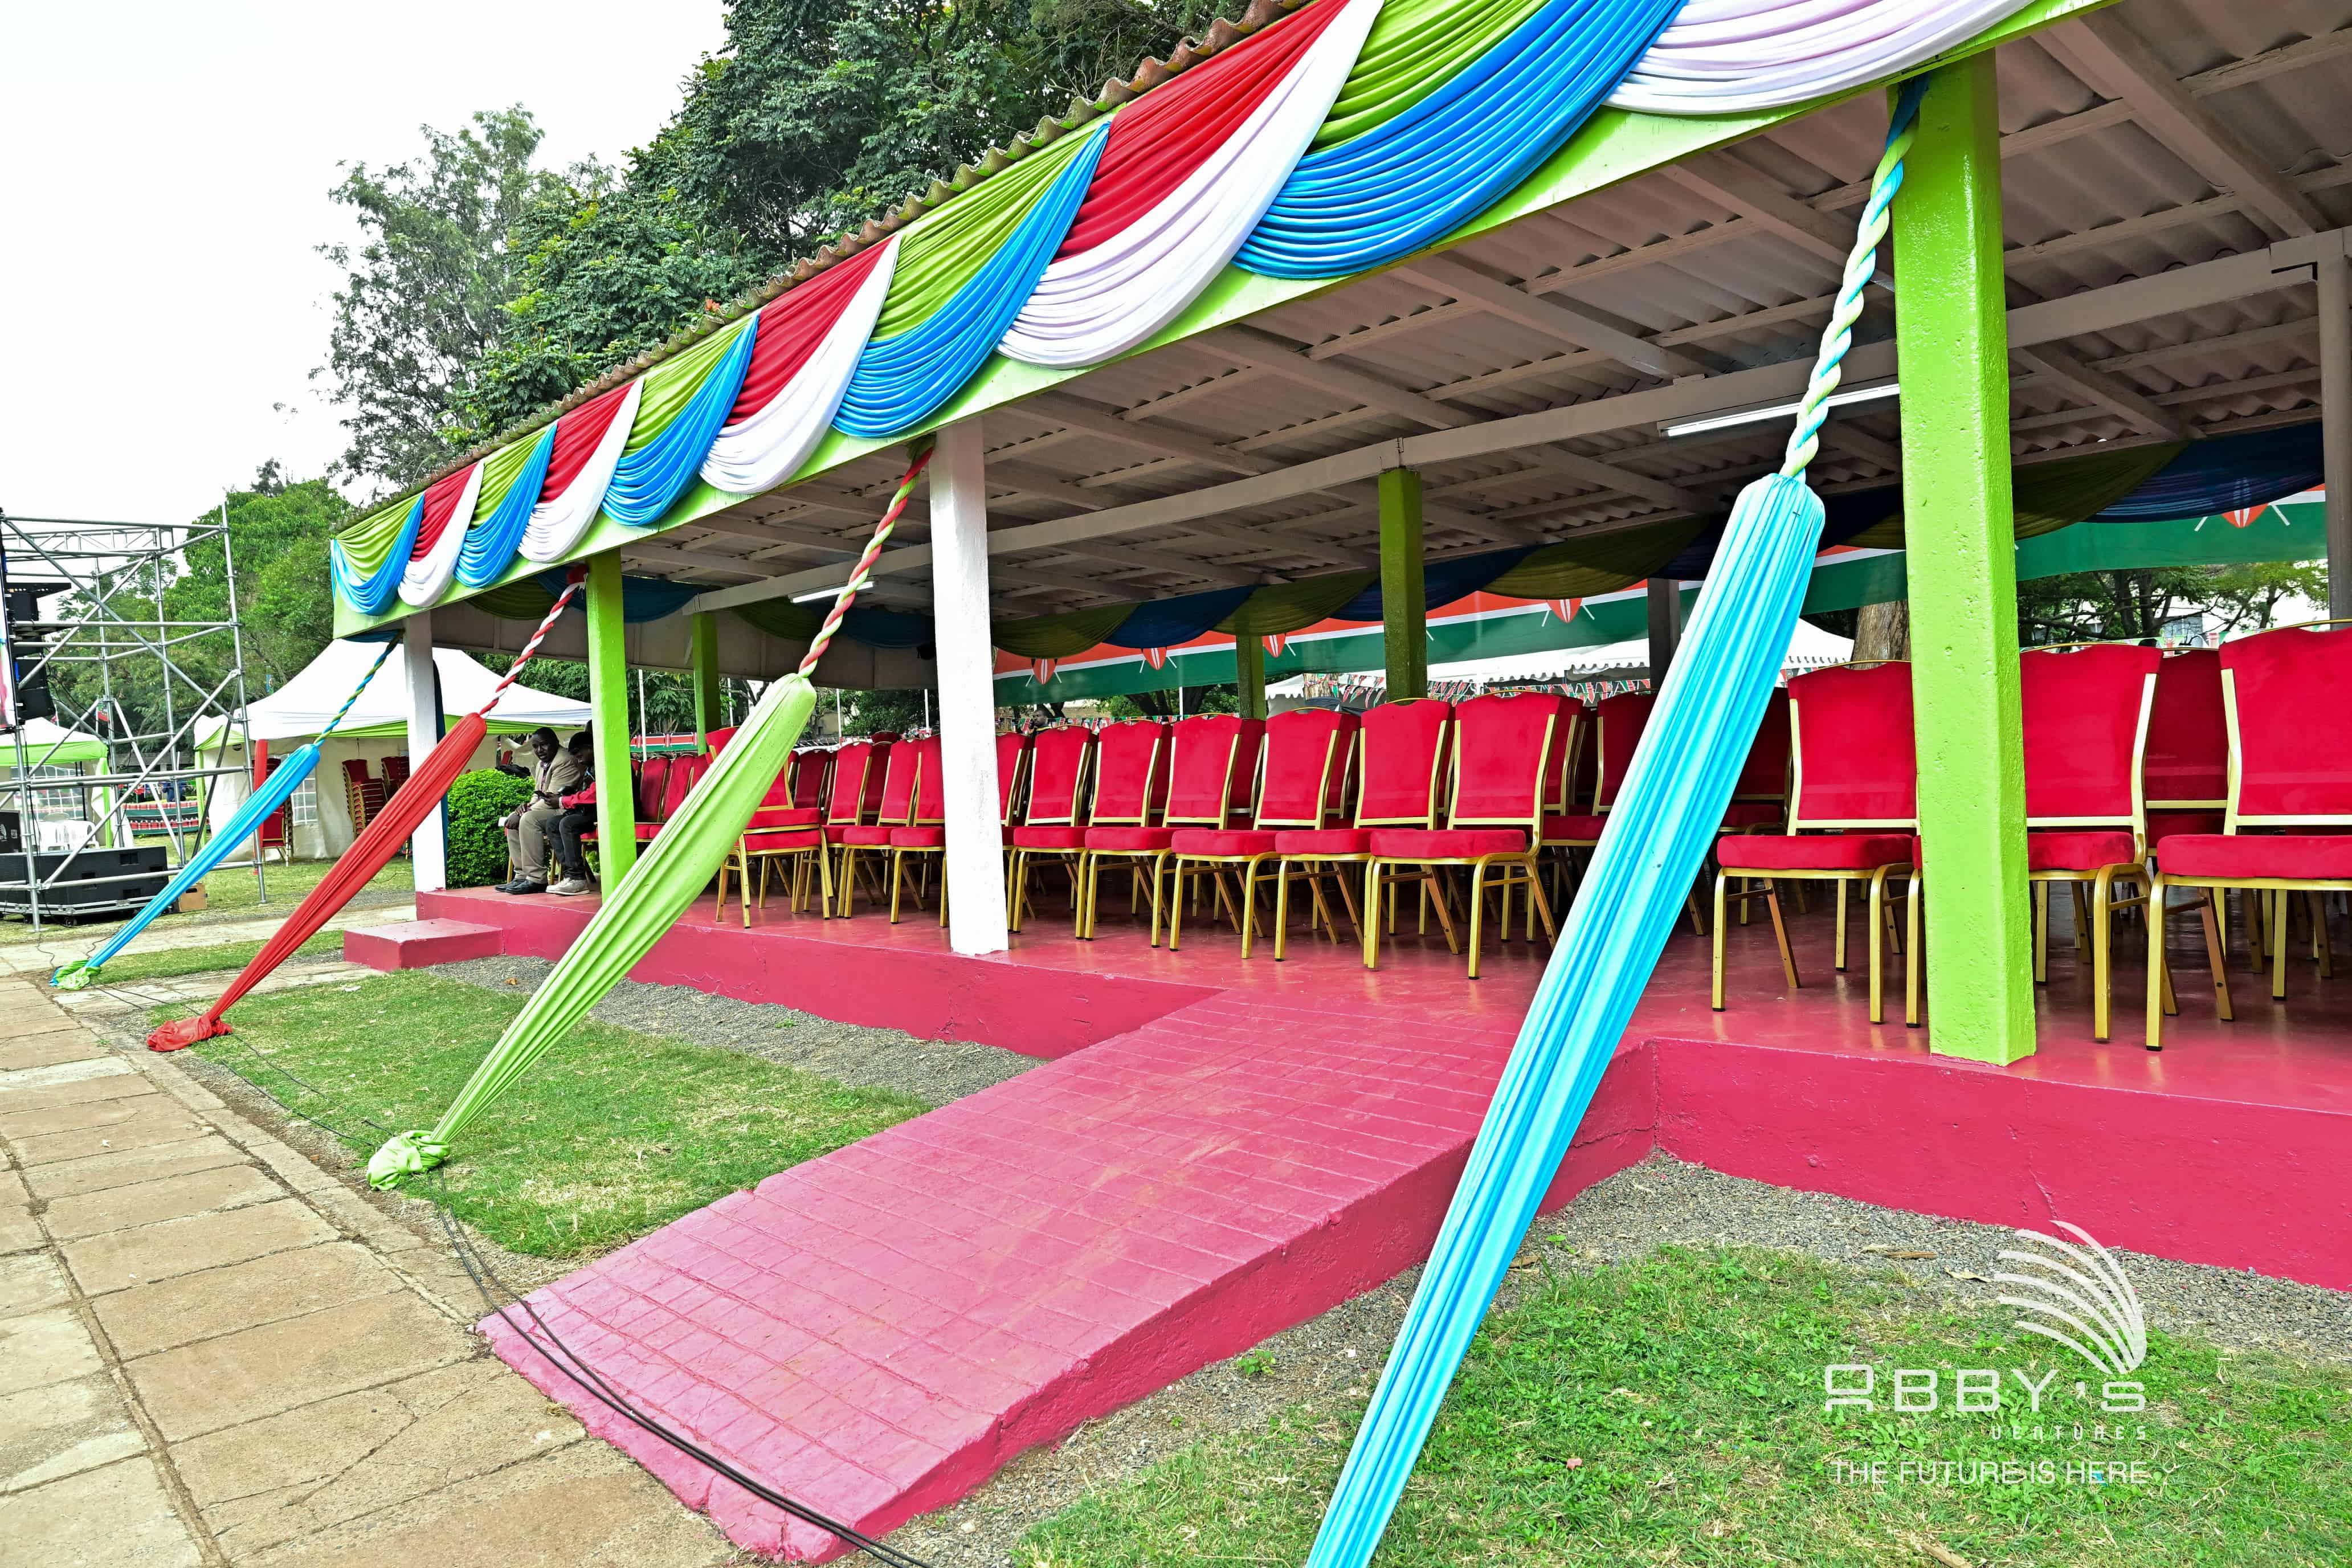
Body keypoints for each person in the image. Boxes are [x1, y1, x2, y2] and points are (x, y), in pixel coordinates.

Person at [495, 726, 585, 895]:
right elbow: (538, 794)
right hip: (549, 808)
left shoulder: (564, 760)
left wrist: (524, 813)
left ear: (555, 743)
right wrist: (524, 808)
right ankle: (521, 876)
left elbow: (552, 799)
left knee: (528, 820)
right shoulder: (542, 763)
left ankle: (536, 879)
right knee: (513, 821)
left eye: (544, 745)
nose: (539, 750)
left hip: (565, 809)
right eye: (535, 747)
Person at [550, 730, 599, 896]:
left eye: (579, 755)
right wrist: (569, 794)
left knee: (568, 824)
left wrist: (562, 801)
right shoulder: (591, 767)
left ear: (590, 748)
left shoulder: (605, 764)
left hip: (612, 812)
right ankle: (570, 875)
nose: (579, 760)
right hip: (595, 811)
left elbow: (595, 795)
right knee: (553, 824)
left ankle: (578, 879)